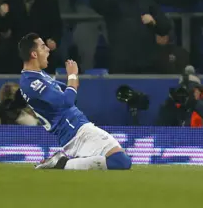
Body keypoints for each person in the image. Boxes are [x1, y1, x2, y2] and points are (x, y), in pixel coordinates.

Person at [17, 33, 132, 171]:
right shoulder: (31, 82)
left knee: (120, 161)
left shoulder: (38, 76)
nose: (48, 49)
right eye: (43, 47)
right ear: (34, 54)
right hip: (76, 131)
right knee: (120, 161)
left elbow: (70, 93)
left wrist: (72, 83)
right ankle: (62, 163)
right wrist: (72, 75)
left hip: (75, 129)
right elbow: (68, 100)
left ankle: (63, 162)